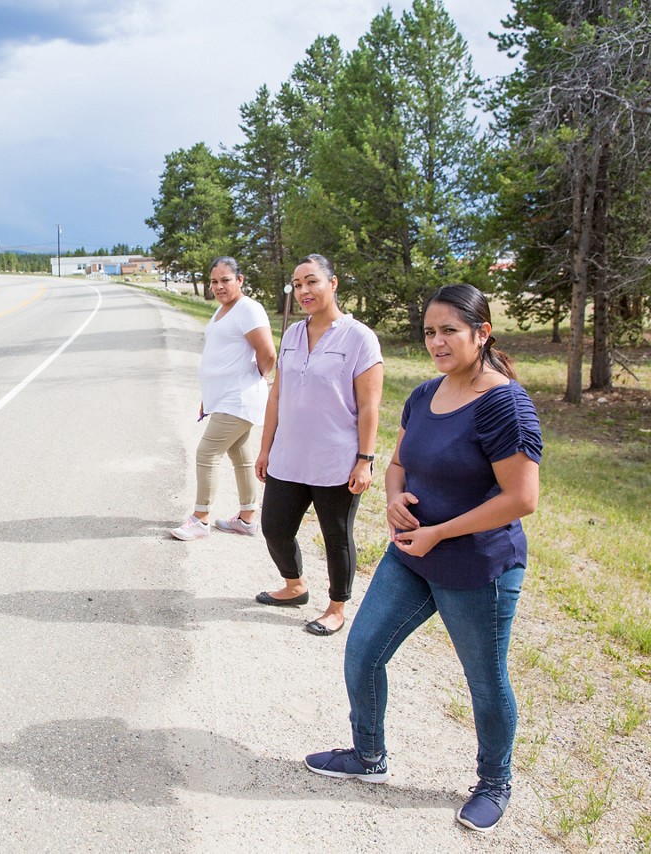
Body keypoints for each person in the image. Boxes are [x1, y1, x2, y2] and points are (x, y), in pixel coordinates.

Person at [304, 284, 543, 835]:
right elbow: (397, 464)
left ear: (482, 334)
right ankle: (368, 757)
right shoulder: (425, 393)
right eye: (430, 331)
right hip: (413, 554)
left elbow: (521, 498)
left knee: (484, 680)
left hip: (477, 566)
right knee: (363, 653)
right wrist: (392, 498)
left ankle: (494, 782)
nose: (437, 342)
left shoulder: (504, 403)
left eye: (449, 331)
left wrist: (440, 532)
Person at [251, 254, 383, 637]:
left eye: (312, 281)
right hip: (289, 455)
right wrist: (265, 449)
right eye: (297, 284)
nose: (304, 290)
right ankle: (294, 586)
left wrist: (365, 460)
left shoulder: (359, 338)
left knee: (336, 535)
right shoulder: (292, 334)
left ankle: (337, 607)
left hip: (336, 460)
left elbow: (370, 405)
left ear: (333, 283)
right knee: (274, 527)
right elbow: (277, 395)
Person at [170, 256, 276, 541]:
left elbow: (267, 353)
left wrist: (257, 378)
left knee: (206, 454)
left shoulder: (248, 309)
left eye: (225, 280)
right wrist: (210, 396)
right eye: (214, 281)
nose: (219, 286)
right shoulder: (222, 311)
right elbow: (220, 357)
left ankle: (200, 519)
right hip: (226, 399)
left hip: (239, 399)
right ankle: (247, 518)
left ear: (240, 280)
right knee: (240, 457)